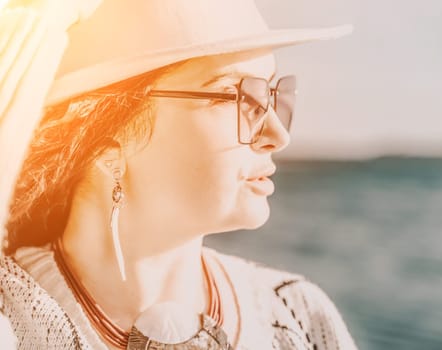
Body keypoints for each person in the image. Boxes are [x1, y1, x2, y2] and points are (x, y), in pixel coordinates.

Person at [0, 0, 357, 349]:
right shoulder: (10, 320)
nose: (278, 135)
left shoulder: (301, 317)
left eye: (272, 94)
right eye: (235, 95)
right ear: (107, 143)